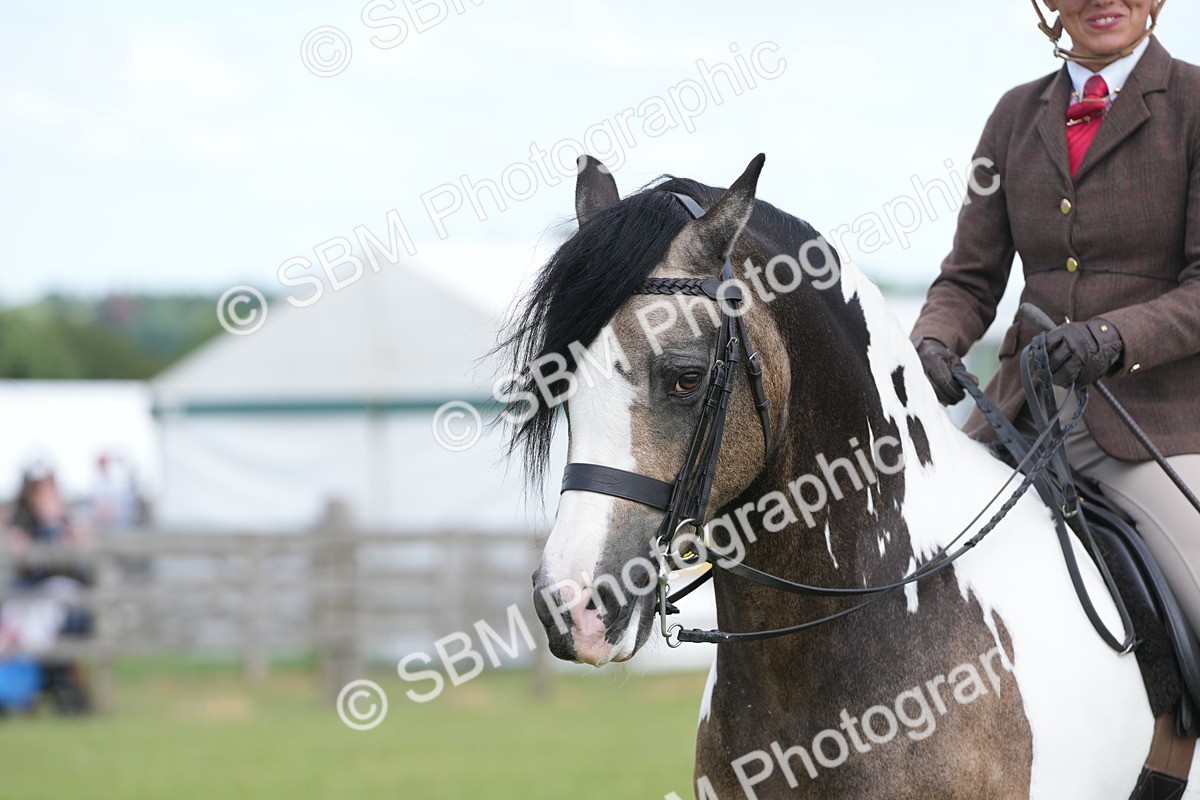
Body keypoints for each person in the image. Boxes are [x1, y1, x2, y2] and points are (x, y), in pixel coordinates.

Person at [910, 0, 1200, 636]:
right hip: (1020, 419)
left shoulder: (1194, 102)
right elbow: (969, 277)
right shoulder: (1015, 115)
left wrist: (1115, 337)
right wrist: (930, 342)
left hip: (1154, 430)